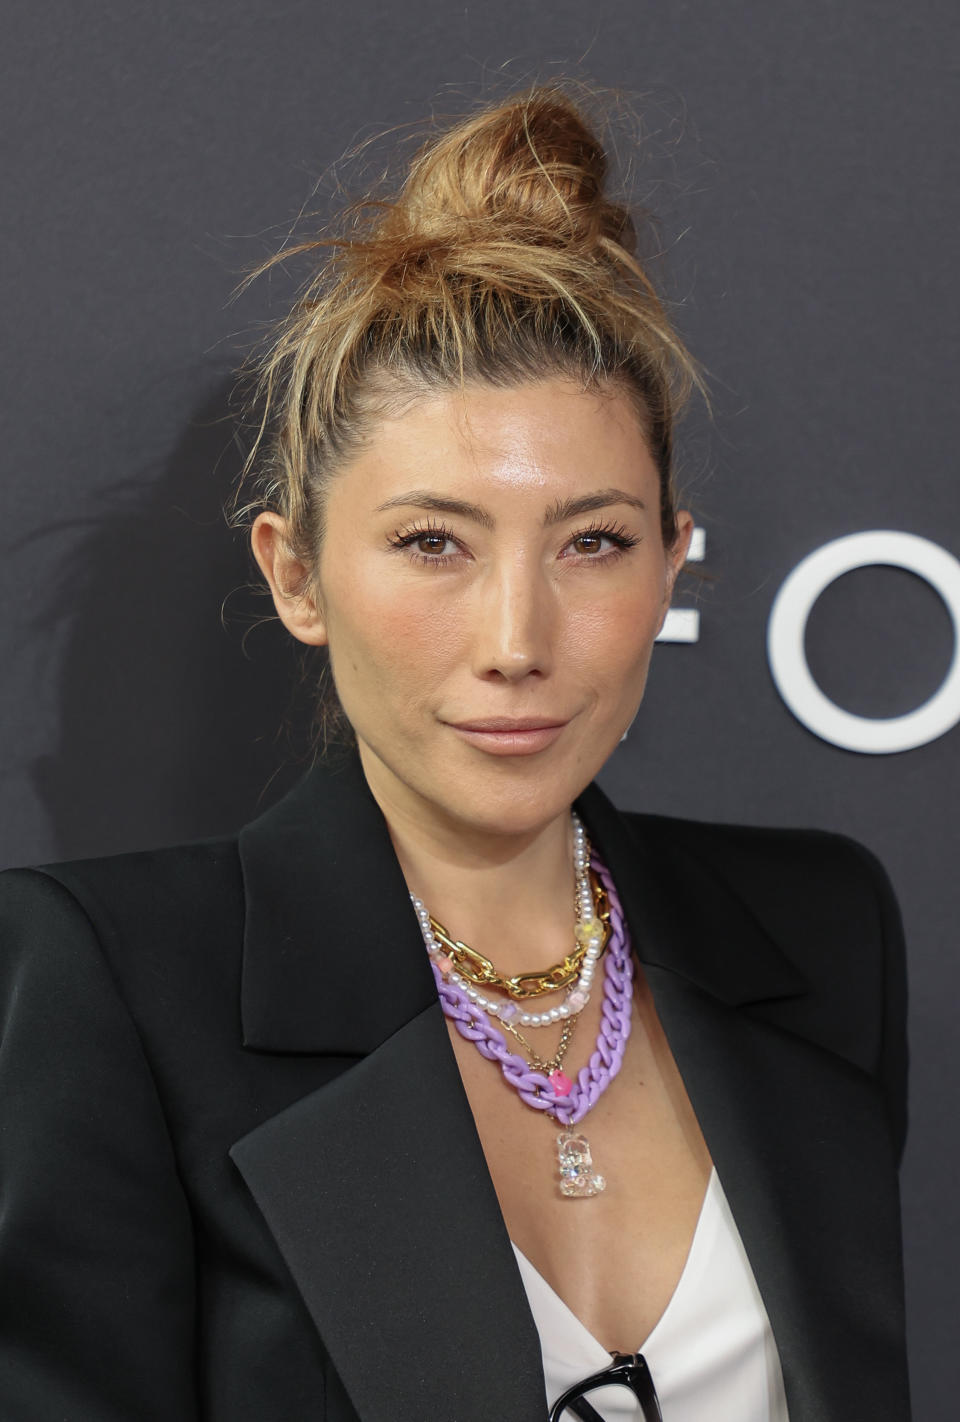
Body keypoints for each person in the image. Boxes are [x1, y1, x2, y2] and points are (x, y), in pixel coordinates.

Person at [0, 85, 910, 1422]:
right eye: (435, 542)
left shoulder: (818, 937)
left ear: (672, 561)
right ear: (296, 573)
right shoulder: (122, 990)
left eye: (592, 540)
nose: (516, 637)